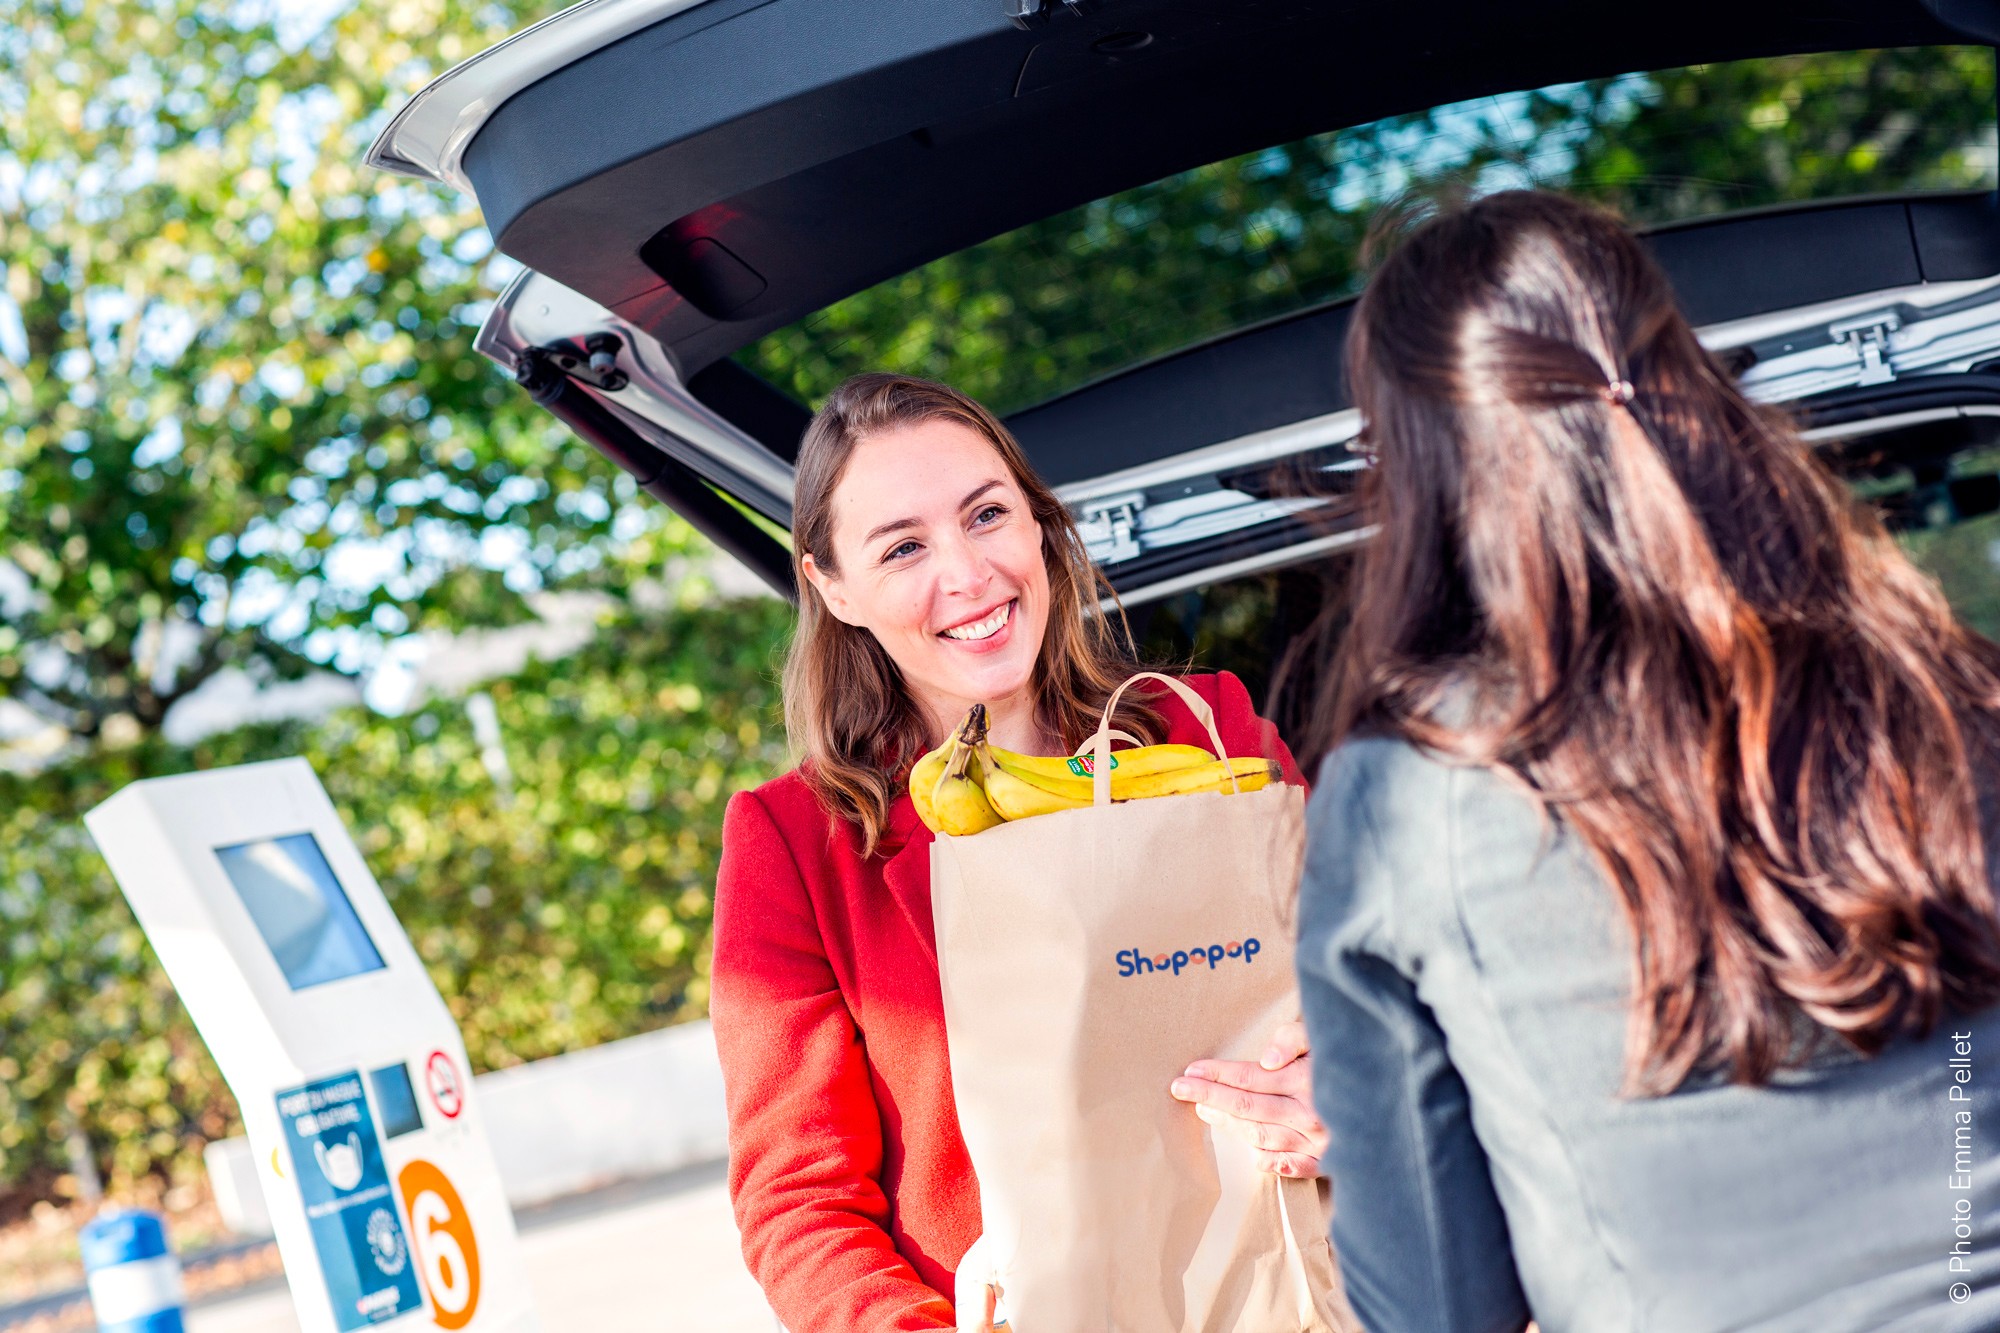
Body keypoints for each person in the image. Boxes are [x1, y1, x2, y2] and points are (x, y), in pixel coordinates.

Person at [1295, 190, 2000, 1332]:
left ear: (1421, 469)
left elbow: (1434, 1305)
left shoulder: (1401, 801)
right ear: (1683, 379)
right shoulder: (1943, 683)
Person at [709, 373, 1317, 1332]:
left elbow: (1395, 999)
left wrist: (1346, 1092)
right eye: (903, 546)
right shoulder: (794, 844)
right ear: (833, 584)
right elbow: (799, 1197)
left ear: (1038, 525)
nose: (968, 573)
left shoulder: (1216, 735)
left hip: (1293, 1288)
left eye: (986, 515)